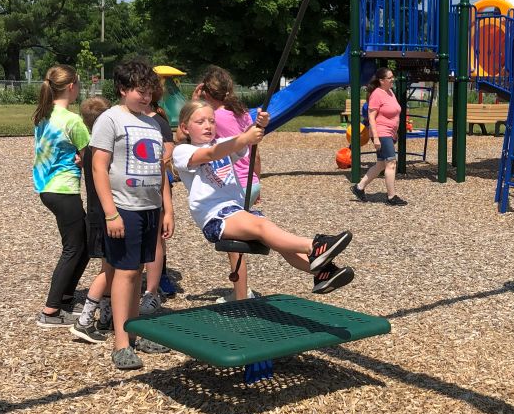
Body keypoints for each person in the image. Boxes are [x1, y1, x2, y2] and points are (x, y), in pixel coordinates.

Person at [172, 99, 355, 294]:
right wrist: (244, 138)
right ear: (185, 127)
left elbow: (244, 139)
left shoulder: (222, 143)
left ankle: (322, 272)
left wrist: (258, 125)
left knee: (280, 240)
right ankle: (314, 246)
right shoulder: (183, 151)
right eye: (200, 122)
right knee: (263, 227)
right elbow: (210, 154)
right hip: (214, 216)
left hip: (236, 210)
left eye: (211, 121)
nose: (208, 126)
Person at [89, 57, 175, 372]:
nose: (147, 97)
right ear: (123, 89)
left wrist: (166, 209)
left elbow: (159, 169)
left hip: (149, 207)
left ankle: (135, 331)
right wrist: (110, 213)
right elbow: (98, 167)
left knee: (137, 271)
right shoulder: (110, 119)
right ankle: (122, 343)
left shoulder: (153, 123)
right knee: (124, 273)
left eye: (150, 91)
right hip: (123, 208)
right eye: (140, 91)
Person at [194, 65, 262, 299]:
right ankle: (242, 291)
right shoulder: (241, 112)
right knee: (237, 239)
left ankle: (241, 295)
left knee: (232, 244)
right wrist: (257, 180)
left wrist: (195, 104)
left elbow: (197, 143)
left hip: (236, 185)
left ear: (206, 92)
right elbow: (254, 149)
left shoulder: (216, 117)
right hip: (250, 181)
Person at [32, 64, 91, 327]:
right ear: (71, 87)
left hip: (47, 188)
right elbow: (92, 155)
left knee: (85, 242)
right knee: (73, 247)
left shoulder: (43, 115)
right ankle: (51, 310)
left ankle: (67, 297)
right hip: (64, 189)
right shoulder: (72, 120)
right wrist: (82, 160)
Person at [70, 96, 114, 344]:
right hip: (104, 214)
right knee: (110, 269)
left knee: (109, 266)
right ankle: (85, 319)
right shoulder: (100, 151)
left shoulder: (89, 149)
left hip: (97, 214)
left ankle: (105, 315)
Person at [139, 79, 178, 315]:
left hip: (156, 184)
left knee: (157, 236)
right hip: (135, 188)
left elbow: (168, 150)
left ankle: (159, 278)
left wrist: (155, 161)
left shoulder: (158, 121)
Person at [351, 67, 407, 206]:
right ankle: (391, 197)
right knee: (391, 163)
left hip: (389, 133)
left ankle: (359, 187)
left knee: (381, 164)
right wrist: (375, 137)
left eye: (392, 76)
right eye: (389, 78)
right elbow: (371, 117)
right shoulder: (377, 94)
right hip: (381, 133)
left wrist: (395, 132)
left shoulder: (390, 92)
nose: (392, 79)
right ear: (381, 81)